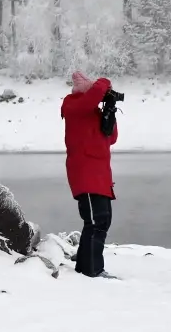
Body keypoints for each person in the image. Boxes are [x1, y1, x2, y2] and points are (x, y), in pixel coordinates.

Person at [61, 71, 118, 279]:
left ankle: (86, 267)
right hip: (85, 174)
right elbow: (94, 94)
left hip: (100, 176)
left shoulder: (91, 112)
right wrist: (105, 84)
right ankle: (91, 270)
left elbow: (111, 138)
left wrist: (109, 111)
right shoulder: (73, 105)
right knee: (96, 221)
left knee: (102, 221)